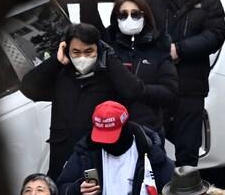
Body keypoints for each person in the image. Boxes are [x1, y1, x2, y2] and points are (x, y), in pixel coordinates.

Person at [141, 0, 225, 167]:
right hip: (156, 80)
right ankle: (156, 194)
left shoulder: (210, 1)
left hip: (191, 83)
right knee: (151, 141)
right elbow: (140, 27)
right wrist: (158, 48)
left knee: (188, 147)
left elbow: (216, 35)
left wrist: (180, 49)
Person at [20, 22, 144, 178]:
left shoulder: (108, 77)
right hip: (61, 159)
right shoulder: (61, 75)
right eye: (76, 52)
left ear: (98, 50)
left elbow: (134, 91)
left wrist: (109, 58)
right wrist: (55, 61)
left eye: (89, 51)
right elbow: (28, 88)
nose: (82, 57)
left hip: (95, 160)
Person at [79, 0, 178, 137]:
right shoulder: (109, 43)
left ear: (145, 16)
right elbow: (89, 18)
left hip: (148, 129)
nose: (129, 18)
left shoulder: (158, 46)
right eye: (123, 15)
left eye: (135, 14)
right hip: (112, 131)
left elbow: (170, 91)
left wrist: (140, 90)